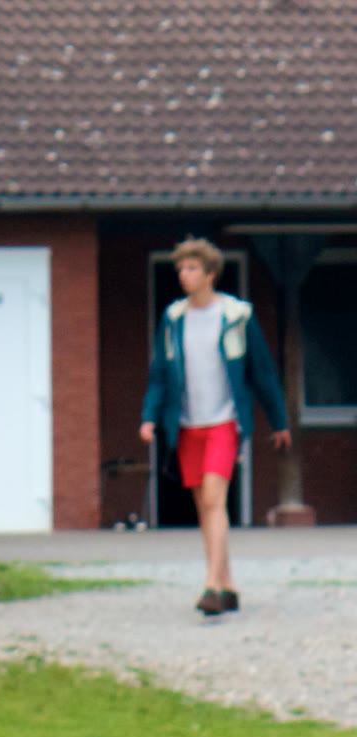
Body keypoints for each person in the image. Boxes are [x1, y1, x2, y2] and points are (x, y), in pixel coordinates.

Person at [138, 237, 290, 617]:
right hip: (187, 425)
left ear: (210, 274)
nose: (183, 275)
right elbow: (159, 374)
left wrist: (279, 421)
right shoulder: (173, 319)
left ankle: (210, 585)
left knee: (213, 499)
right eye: (180, 269)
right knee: (204, 507)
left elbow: (263, 372)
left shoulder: (237, 316)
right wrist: (149, 417)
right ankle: (228, 584)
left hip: (225, 422)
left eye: (191, 268)